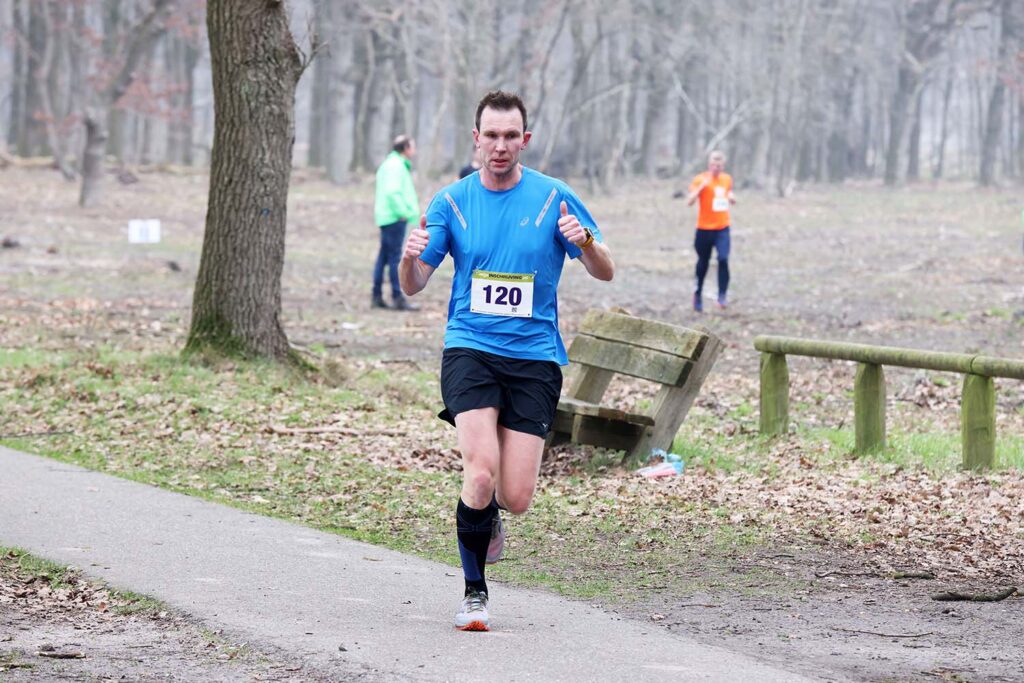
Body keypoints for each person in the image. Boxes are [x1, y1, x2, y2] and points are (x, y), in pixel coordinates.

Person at [399, 91, 614, 632]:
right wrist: (408, 260)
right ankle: (474, 594)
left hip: (535, 358)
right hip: (469, 348)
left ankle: (491, 513)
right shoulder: (451, 202)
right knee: (479, 472)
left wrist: (584, 241)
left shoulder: (554, 198)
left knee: (514, 496)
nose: (499, 146)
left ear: (525, 139)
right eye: (490, 136)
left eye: (509, 136)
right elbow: (414, 285)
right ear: (476, 139)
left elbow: (605, 270)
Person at [372, 135, 420, 311]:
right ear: (406, 148)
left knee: (384, 257)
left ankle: (376, 295)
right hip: (394, 218)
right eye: (413, 146)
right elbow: (393, 192)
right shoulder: (396, 166)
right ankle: (397, 297)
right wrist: (404, 213)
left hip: (387, 217)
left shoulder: (391, 164)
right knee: (394, 259)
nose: (414, 151)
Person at [686, 150, 736, 312]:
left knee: (723, 259)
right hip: (703, 229)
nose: (716, 168)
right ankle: (698, 293)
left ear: (723, 166)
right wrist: (701, 188)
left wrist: (731, 197)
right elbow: (690, 201)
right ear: (709, 164)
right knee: (703, 263)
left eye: (719, 165)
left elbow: (727, 192)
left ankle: (722, 295)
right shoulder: (700, 179)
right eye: (714, 165)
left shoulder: (726, 179)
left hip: (722, 228)